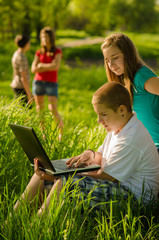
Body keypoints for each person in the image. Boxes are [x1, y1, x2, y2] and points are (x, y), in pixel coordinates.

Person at [10, 82, 159, 218]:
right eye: (97, 114)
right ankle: (11, 224)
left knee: (65, 182)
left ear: (121, 110)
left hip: (133, 200)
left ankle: (34, 230)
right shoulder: (119, 126)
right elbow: (101, 156)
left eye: (103, 114)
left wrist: (60, 175)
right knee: (42, 177)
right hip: (116, 187)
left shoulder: (131, 138)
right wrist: (91, 153)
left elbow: (105, 175)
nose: (99, 120)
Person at [101, 33, 159, 152]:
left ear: (128, 55)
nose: (111, 65)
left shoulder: (141, 77)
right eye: (107, 60)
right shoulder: (125, 80)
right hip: (141, 146)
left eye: (115, 57)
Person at [31, 26, 63, 139]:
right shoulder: (39, 52)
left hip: (51, 83)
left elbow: (56, 66)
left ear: (51, 38)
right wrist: (47, 67)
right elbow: (33, 69)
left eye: (45, 37)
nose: (43, 39)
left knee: (52, 109)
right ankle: (43, 135)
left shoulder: (57, 51)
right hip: (38, 82)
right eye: (42, 37)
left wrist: (41, 66)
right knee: (40, 110)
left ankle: (61, 134)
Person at [10, 35, 33, 107]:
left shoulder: (16, 53)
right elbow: (23, 77)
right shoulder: (22, 57)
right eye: (29, 43)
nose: (29, 44)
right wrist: (29, 94)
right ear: (26, 44)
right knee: (26, 111)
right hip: (21, 87)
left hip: (16, 84)